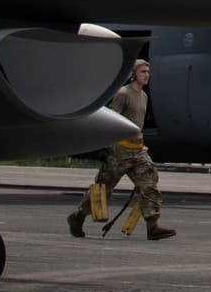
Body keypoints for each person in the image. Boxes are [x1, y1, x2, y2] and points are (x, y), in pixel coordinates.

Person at [68, 58, 173, 241]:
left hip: (138, 150)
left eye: (148, 72)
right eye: (142, 72)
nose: (146, 75)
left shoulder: (144, 96)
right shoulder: (123, 93)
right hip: (120, 151)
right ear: (134, 74)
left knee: (149, 186)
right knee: (103, 190)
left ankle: (152, 226)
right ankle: (77, 217)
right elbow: (110, 121)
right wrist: (105, 149)